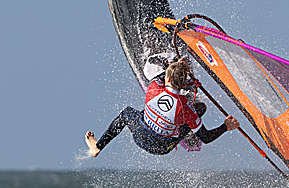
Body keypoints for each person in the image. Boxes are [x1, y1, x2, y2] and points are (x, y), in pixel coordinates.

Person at [85, 57, 240, 157]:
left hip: (140, 136)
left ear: (167, 77)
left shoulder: (153, 88)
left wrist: (178, 65)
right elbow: (206, 138)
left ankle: (98, 147)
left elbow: (162, 78)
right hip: (163, 148)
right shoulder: (186, 108)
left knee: (127, 113)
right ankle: (188, 134)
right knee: (200, 108)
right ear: (184, 81)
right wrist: (225, 126)